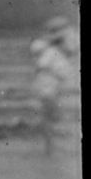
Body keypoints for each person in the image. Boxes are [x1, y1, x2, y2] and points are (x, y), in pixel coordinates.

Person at [30, 16, 75, 155]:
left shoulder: (50, 51)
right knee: (49, 117)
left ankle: (49, 146)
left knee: (49, 117)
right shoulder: (50, 52)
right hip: (48, 87)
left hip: (49, 86)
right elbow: (42, 66)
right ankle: (49, 147)